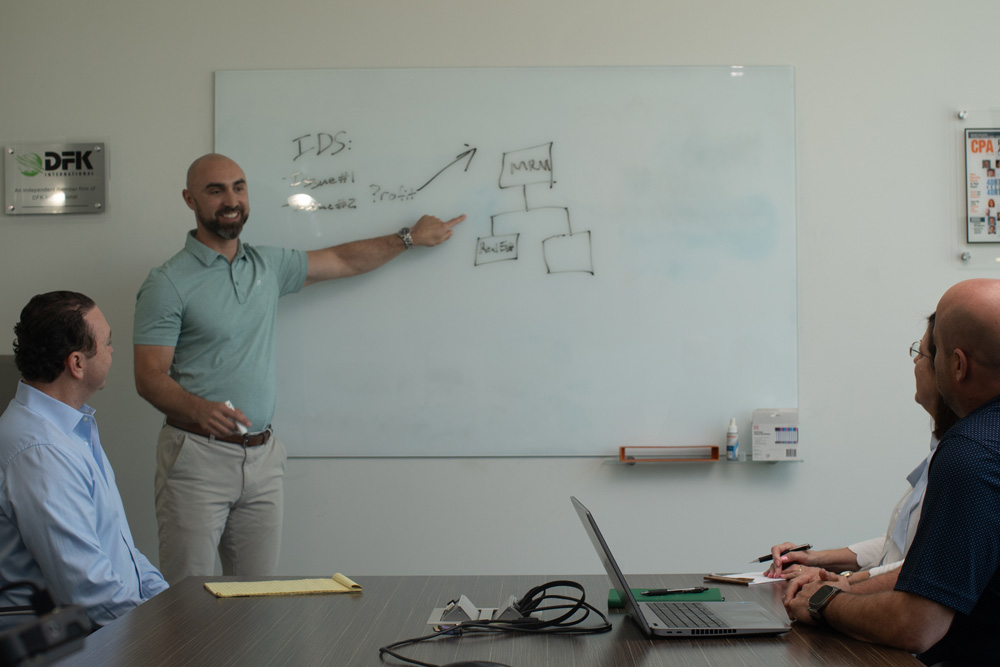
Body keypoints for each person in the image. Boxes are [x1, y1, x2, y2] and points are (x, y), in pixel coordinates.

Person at [133, 153, 465, 584]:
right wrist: (197, 408)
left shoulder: (267, 266)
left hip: (263, 457)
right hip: (197, 456)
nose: (230, 199)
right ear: (190, 199)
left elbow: (343, 261)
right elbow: (148, 376)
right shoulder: (168, 282)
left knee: (260, 602)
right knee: (187, 603)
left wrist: (408, 238)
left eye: (239, 186)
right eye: (215, 190)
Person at [786, 279, 1000, 665]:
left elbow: (916, 625)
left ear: (957, 365)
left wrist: (823, 601)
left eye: (928, 353)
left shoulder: (972, 454)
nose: (921, 363)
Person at [0, 291, 168, 628]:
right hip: (66, 646)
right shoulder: (40, 452)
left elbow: (121, 552)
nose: (112, 351)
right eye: (107, 343)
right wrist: (163, 635)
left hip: (106, 633)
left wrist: (168, 607)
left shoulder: (72, 429)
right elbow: (88, 593)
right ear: (77, 363)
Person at [764, 315, 958, 588]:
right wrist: (814, 559)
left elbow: (925, 565)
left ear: (954, 367)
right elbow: (898, 546)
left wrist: (838, 582)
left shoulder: (964, 460)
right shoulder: (941, 447)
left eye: (921, 353)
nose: (915, 362)